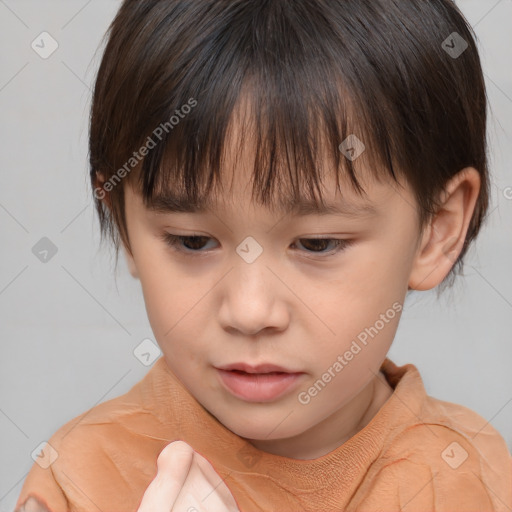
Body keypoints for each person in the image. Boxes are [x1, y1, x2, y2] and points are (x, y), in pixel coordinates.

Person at [15, 0, 512, 510]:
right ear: (123, 221)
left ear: (437, 229)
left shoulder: (473, 475)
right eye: (192, 241)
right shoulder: (81, 482)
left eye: (317, 244)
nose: (250, 312)